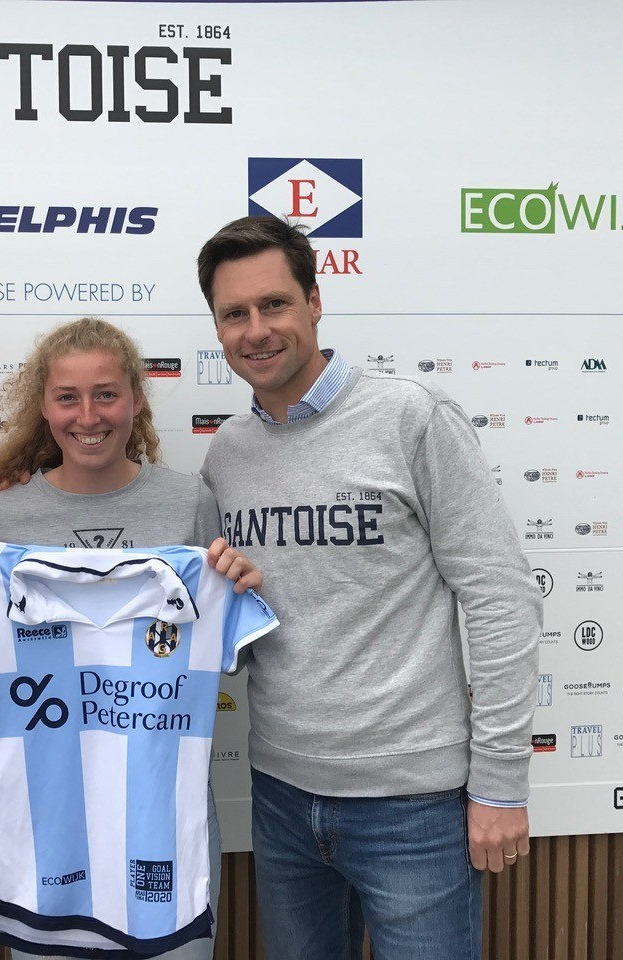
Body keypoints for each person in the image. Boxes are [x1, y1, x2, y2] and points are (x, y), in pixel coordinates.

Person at [195, 216, 542, 960]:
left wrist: (501, 783)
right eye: (234, 313)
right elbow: (241, 639)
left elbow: (501, 597)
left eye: (275, 304)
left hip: (414, 807)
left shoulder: (411, 416)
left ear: (315, 302)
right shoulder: (228, 453)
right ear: (218, 328)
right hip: (281, 795)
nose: (256, 330)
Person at [0, 316, 261, 960]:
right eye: (68, 397)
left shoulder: (189, 502)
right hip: (50, 848)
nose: (89, 416)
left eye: (106, 394)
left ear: (135, 398)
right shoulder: (2, 516)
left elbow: (231, 659)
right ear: (44, 407)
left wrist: (237, 590)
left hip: (165, 832)